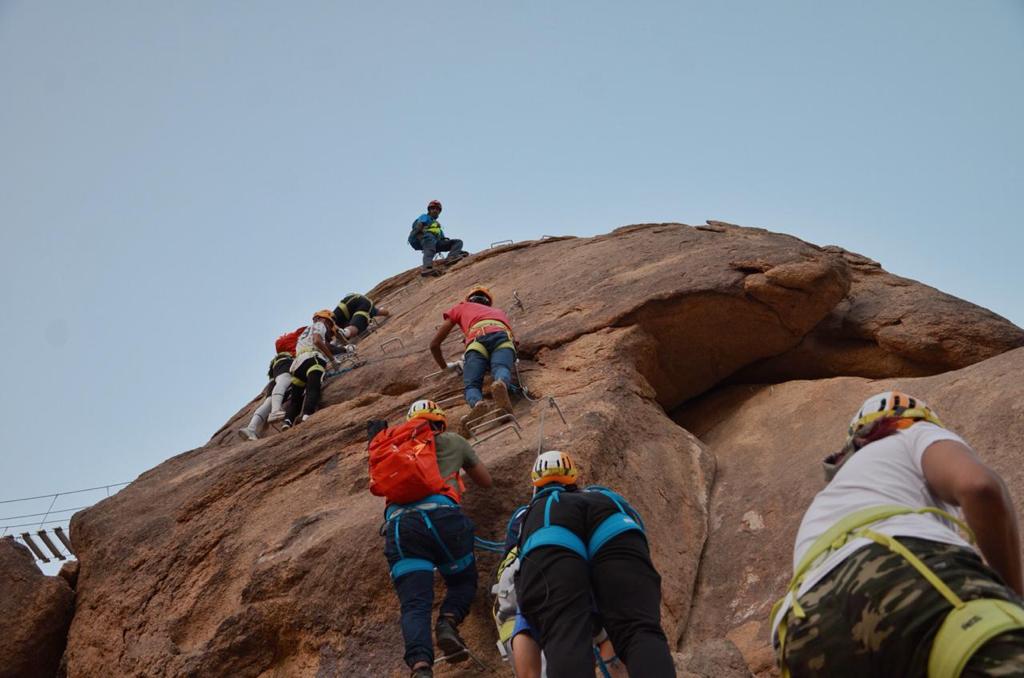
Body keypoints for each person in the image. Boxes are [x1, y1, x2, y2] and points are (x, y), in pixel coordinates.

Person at [771, 391, 1024, 678]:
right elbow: (979, 487)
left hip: (803, 627)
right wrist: (1015, 596)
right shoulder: (913, 432)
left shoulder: (829, 497)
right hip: (893, 571)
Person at [514, 451, 676, 678]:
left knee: (566, 634)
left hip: (549, 531)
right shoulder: (600, 495)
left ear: (535, 485)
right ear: (574, 478)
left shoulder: (530, 512)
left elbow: (514, 569)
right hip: (614, 521)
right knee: (639, 629)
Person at [371, 399, 493, 678]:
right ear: (440, 422)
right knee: (463, 580)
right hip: (445, 517)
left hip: (402, 528)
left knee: (414, 604)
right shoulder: (453, 440)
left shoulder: (395, 447)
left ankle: (421, 668)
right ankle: (448, 622)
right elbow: (486, 482)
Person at [492, 505, 623, 678]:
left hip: (512, 587)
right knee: (603, 633)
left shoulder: (523, 514)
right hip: (555, 575)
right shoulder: (579, 510)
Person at [429, 286, 516, 435]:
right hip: (502, 337)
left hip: (476, 342)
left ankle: (477, 403)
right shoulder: (499, 312)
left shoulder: (461, 307)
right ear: (488, 302)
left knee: (472, 385)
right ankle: (501, 382)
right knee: (501, 367)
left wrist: (445, 367)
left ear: (469, 299)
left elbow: (434, 344)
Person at [279, 310, 339, 429]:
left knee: (296, 399)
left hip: (297, 365)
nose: (328, 327)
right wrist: (332, 359)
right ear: (323, 319)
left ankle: (287, 421)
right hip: (312, 359)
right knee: (313, 388)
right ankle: (307, 415)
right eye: (329, 324)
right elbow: (317, 341)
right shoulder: (320, 325)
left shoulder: (304, 333)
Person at [237, 348, 294, 441]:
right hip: (285, 364)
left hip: (274, 376)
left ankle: (251, 429)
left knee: (268, 402)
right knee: (285, 379)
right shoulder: (291, 345)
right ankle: (275, 411)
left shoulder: (276, 360)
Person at [408, 200, 466, 277]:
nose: (435, 210)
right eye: (433, 208)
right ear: (429, 210)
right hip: (426, 237)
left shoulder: (437, 226)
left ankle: (452, 257)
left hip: (435, 242)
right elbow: (419, 225)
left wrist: (457, 250)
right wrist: (419, 235)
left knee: (457, 242)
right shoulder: (425, 217)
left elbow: (443, 240)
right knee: (430, 249)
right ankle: (427, 268)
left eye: (437, 209)